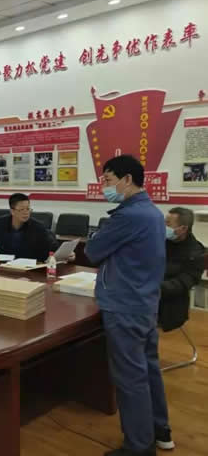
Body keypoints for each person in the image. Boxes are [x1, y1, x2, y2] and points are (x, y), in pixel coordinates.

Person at [84, 155, 172, 456]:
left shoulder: (129, 215)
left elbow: (93, 250)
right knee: (148, 370)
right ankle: (160, 431)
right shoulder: (153, 212)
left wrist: (98, 235)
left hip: (125, 305)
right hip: (145, 302)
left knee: (130, 379)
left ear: (127, 180)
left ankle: (138, 447)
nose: (104, 187)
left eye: (108, 180)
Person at [0, 193, 60, 262]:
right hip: (2, 267)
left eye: (28, 209)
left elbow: (53, 246)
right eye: (22, 210)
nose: (26, 213)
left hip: (28, 269)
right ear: (12, 211)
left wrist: (58, 255)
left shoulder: (38, 227)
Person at [160, 207, 205, 332]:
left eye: (168, 224)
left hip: (170, 309)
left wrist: (156, 288)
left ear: (183, 228)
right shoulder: (160, 241)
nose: (163, 227)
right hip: (146, 302)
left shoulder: (196, 253)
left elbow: (186, 281)